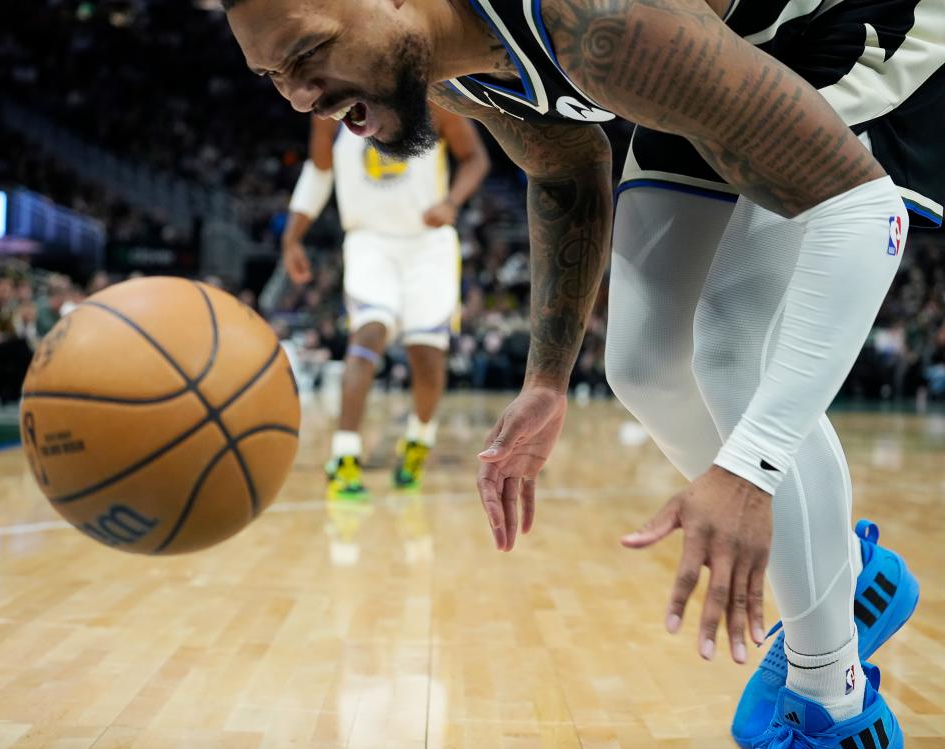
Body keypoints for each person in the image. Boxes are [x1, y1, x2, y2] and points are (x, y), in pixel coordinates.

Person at [225, 1, 944, 746]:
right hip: (719, 50)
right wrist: (546, 379)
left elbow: (862, 208)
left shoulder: (600, 23)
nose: (300, 96)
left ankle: (835, 699)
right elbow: (565, 168)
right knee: (644, 364)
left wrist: (751, 468)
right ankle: (843, 572)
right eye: (273, 74)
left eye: (309, 53)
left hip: (843, 18)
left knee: (731, 350)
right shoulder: (442, 65)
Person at [281, 109, 489, 499]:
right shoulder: (332, 107)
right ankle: (344, 455)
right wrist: (292, 236)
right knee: (369, 333)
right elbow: (319, 169)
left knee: (427, 355)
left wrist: (452, 202)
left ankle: (418, 440)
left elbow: (476, 158)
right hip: (369, 241)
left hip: (428, 244)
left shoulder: (433, 99)